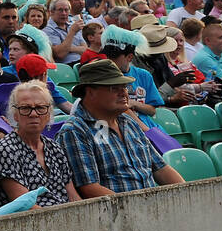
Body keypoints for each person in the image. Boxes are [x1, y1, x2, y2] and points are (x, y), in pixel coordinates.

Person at [56, 60, 185, 197]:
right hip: (114, 213)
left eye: (124, 87)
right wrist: (138, 206)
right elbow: (89, 188)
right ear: (90, 92)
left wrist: (186, 193)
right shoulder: (75, 131)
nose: (123, 93)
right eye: (114, 88)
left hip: (149, 208)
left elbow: (161, 169)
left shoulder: (128, 122)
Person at [0, 81, 79, 210]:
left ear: (48, 114)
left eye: (40, 108)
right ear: (15, 115)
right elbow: (25, 207)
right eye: (25, 108)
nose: (33, 114)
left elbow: (73, 197)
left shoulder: (54, 148)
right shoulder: (7, 150)